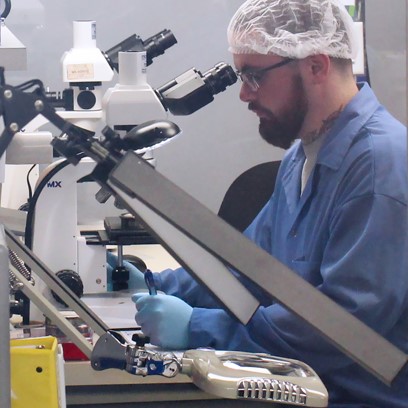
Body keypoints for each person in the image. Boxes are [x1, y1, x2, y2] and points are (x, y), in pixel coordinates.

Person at [108, 0, 408, 406]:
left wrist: (198, 327)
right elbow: (250, 267)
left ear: (316, 66)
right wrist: (158, 283)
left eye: (253, 76)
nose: (244, 95)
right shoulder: (302, 156)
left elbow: (344, 329)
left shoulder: (379, 166)